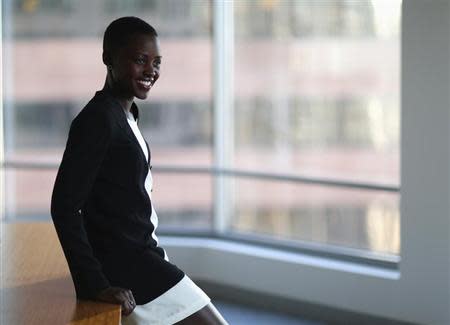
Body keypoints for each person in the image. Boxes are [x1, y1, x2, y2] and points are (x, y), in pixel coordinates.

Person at [51, 16, 228, 325]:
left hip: (144, 257)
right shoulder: (98, 121)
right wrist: (94, 285)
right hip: (129, 268)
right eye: (140, 60)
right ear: (108, 59)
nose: (151, 71)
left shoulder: (127, 116)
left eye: (157, 62)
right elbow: (65, 207)